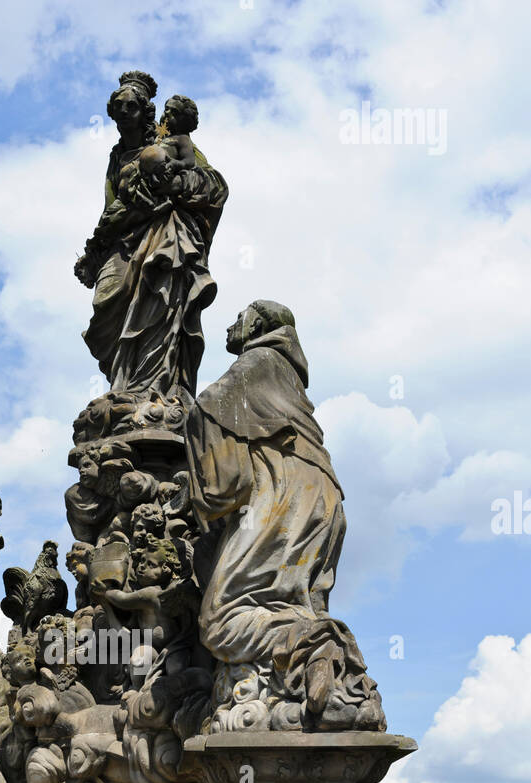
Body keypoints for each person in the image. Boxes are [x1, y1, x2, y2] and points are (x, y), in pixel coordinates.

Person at [185, 299, 386, 731]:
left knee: (222, 619)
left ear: (259, 325)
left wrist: (194, 499)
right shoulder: (287, 377)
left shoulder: (254, 363)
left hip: (284, 496)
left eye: (240, 317)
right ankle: (328, 669)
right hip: (326, 495)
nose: (230, 325)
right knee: (293, 603)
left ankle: (313, 646)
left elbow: (224, 484)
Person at [74, 72, 227, 400]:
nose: (122, 113)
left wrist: (176, 185)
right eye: (117, 108)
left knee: (158, 303)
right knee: (107, 303)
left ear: (145, 111)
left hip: (164, 237)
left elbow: (215, 186)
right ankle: (123, 383)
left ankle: (153, 391)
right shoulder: (117, 159)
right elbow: (111, 208)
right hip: (124, 239)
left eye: (129, 106)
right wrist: (94, 251)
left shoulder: (167, 143)